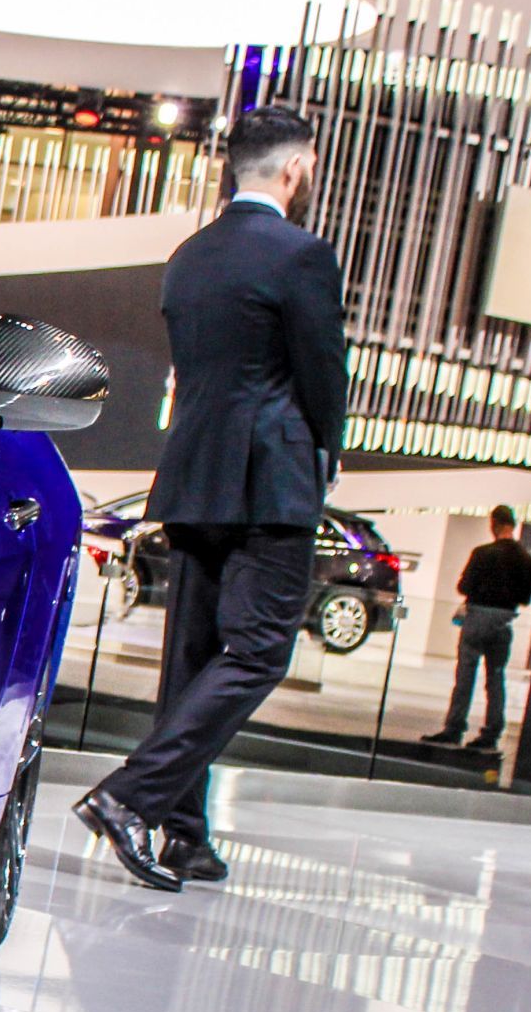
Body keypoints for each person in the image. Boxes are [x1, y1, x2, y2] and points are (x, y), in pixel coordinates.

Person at [76, 104, 348, 891]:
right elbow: (320, 374)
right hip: (272, 480)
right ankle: (131, 798)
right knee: (261, 651)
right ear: (296, 169)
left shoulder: (189, 255)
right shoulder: (303, 255)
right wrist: (326, 453)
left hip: (195, 475)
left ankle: (183, 835)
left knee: (192, 661)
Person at [421, 506, 531, 752]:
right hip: (504, 621)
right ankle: (492, 732)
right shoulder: (527, 560)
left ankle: (455, 728)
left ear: (494, 523)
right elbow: (526, 598)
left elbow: (464, 586)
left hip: (478, 618)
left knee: (465, 675)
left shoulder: (483, 553)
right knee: (496, 678)